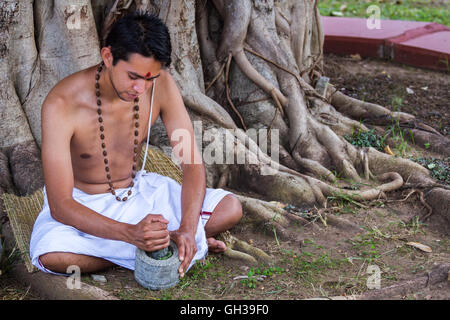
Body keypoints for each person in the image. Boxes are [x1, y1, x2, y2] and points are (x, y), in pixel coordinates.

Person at [29, 12, 242, 278]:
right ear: (108, 57)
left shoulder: (161, 85)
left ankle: (162, 242)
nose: (141, 88)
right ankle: (152, 249)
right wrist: (130, 234)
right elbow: (61, 204)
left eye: (149, 78)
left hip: (141, 194)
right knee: (53, 256)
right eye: (132, 76)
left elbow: (191, 162)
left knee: (229, 208)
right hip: (85, 206)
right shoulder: (61, 103)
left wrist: (188, 228)